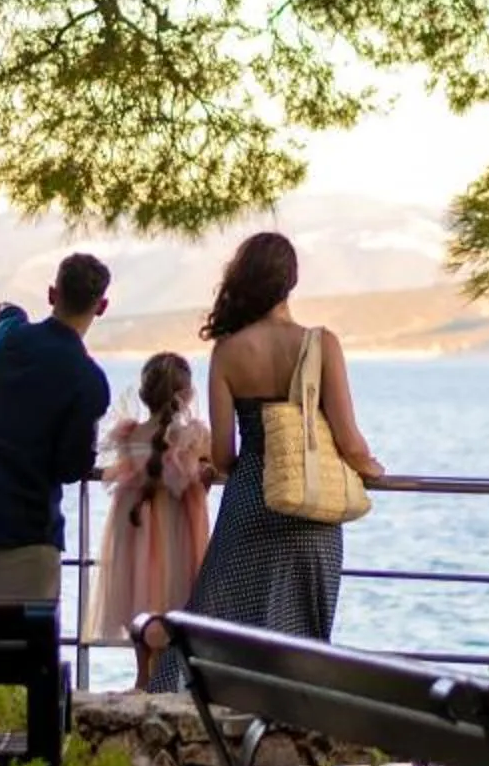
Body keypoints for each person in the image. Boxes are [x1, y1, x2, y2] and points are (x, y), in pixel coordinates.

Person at [169, 232, 383, 671]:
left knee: (225, 633)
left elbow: (225, 455)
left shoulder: (227, 352)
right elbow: (348, 439)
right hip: (309, 512)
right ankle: (293, 727)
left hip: (250, 503)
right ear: (291, 281)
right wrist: (371, 468)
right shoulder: (321, 344)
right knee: (303, 642)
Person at [0, 251, 112, 602]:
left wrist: (6, 309)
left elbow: (7, 319)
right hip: (24, 526)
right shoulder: (88, 381)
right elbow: (70, 467)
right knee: (21, 648)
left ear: (52, 295)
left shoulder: (10, 341)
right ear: (101, 306)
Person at [91, 350, 212, 688]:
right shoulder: (193, 437)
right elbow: (207, 472)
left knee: (140, 596)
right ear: (186, 395)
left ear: (145, 395)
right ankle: (164, 677)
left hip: (137, 531)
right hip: (177, 533)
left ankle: (143, 676)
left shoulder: (130, 435)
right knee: (173, 598)